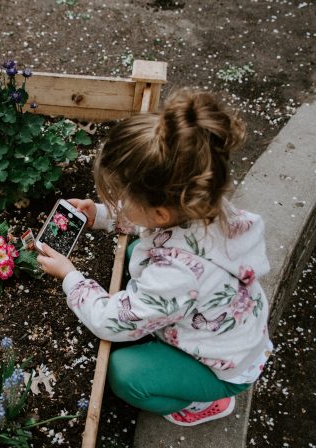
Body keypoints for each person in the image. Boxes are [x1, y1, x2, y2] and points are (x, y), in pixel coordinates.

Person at [37, 89, 272, 426]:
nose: (118, 200)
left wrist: (70, 276)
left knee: (124, 373)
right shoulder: (203, 205)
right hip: (227, 328)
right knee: (136, 251)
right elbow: (151, 225)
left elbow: (110, 322)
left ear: (161, 212)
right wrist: (101, 216)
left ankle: (203, 403)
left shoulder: (175, 274)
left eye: (121, 197)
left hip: (221, 367)